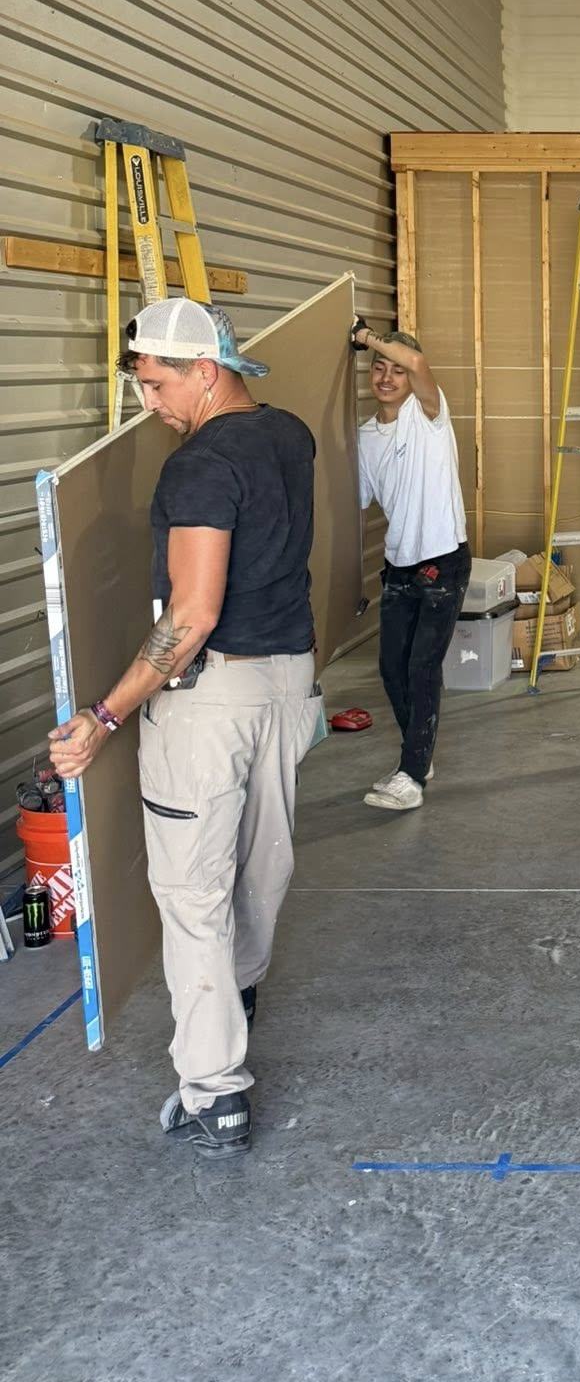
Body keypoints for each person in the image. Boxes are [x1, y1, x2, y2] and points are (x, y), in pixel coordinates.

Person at [49, 298, 318, 1157]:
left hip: (210, 701)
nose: (150, 407)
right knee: (260, 866)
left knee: (194, 894)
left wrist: (103, 715)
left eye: (157, 385)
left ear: (206, 371)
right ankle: (234, 1006)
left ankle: (215, 1093)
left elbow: (193, 615)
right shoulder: (290, 436)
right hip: (288, 683)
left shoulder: (198, 466)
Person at [352, 318, 470, 813]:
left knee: (422, 665)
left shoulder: (429, 415)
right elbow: (354, 505)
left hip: (443, 558)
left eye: (395, 370)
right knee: (391, 667)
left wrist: (366, 337)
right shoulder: (363, 437)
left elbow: (419, 361)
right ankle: (417, 751)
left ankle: (413, 774)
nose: (385, 377)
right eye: (377, 368)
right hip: (400, 564)